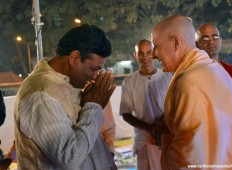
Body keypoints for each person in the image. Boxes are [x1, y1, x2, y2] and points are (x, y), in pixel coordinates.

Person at [14, 24, 117, 170]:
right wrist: (93, 107)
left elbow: (87, 141)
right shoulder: (40, 96)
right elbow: (70, 158)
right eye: (93, 69)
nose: (94, 76)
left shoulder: (67, 83)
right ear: (75, 57)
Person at [151, 15, 232, 169]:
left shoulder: (188, 81)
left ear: (175, 42)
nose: (154, 54)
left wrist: (164, 140)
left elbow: (188, 159)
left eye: (156, 46)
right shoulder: (216, 70)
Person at [119, 39, 172, 170]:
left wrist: (161, 125)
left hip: (165, 135)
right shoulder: (129, 81)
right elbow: (126, 114)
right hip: (143, 139)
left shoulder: (167, 76)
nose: (144, 57)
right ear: (135, 55)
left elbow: (174, 105)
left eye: (148, 52)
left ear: (154, 53)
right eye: (140, 53)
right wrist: (150, 128)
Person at [195, 23, 232, 106]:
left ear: (220, 41)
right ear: (196, 44)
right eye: (205, 38)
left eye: (215, 37)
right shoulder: (191, 75)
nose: (211, 41)